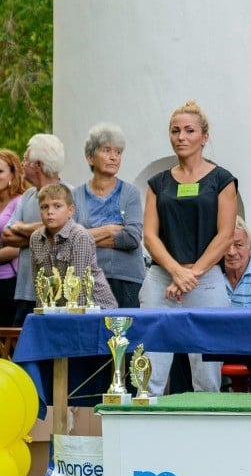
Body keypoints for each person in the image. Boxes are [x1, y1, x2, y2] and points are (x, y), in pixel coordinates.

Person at [140, 99, 237, 395]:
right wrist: (175, 272)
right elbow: (150, 236)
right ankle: (145, 433)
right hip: (161, 279)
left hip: (205, 280)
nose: (181, 137)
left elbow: (225, 235)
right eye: (175, 131)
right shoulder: (158, 183)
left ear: (204, 137)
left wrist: (191, 275)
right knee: (150, 372)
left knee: (207, 372)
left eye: (189, 130)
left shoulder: (222, 180)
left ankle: (207, 434)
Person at [72, 123, 146, 307]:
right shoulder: (75, 196)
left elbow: (132, 238)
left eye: (118, 152)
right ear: (90, 157)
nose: (114, 157)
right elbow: (68, 241)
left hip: (127, 280)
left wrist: (85, 236)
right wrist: (110, 229)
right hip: (86, 280)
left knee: (126, 334)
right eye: (106, 150)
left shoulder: (130, 193)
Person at [1, 133, 66, 325]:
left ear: (38, 164)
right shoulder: (28, 196)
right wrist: (45, 230)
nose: (21, 163)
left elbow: (64, 231)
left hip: (57, 296)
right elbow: (7, 235)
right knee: (21, 353)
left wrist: (22, 228)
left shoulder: (68, 194)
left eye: (25, 160)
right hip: (25, 293)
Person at [29, 183, 117, 309]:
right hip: (60, 309)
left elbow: (78, 285)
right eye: (44, 207)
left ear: (70, 210)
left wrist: (74, 319)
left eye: (57, 206)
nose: (50, 212)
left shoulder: (79, 236)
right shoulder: (36, 238)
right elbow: (39, 284)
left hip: (95, 307)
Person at [222, 216, 251, 391]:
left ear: (250, 248)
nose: (231, 252)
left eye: (238, 245)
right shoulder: (210, 275)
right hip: (219, 343)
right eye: (225, 246)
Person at [0, 150, 29, 326]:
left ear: (13, 173)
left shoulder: (20, 202)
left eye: (0, 171)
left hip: (9, 281)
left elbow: (19, 246)